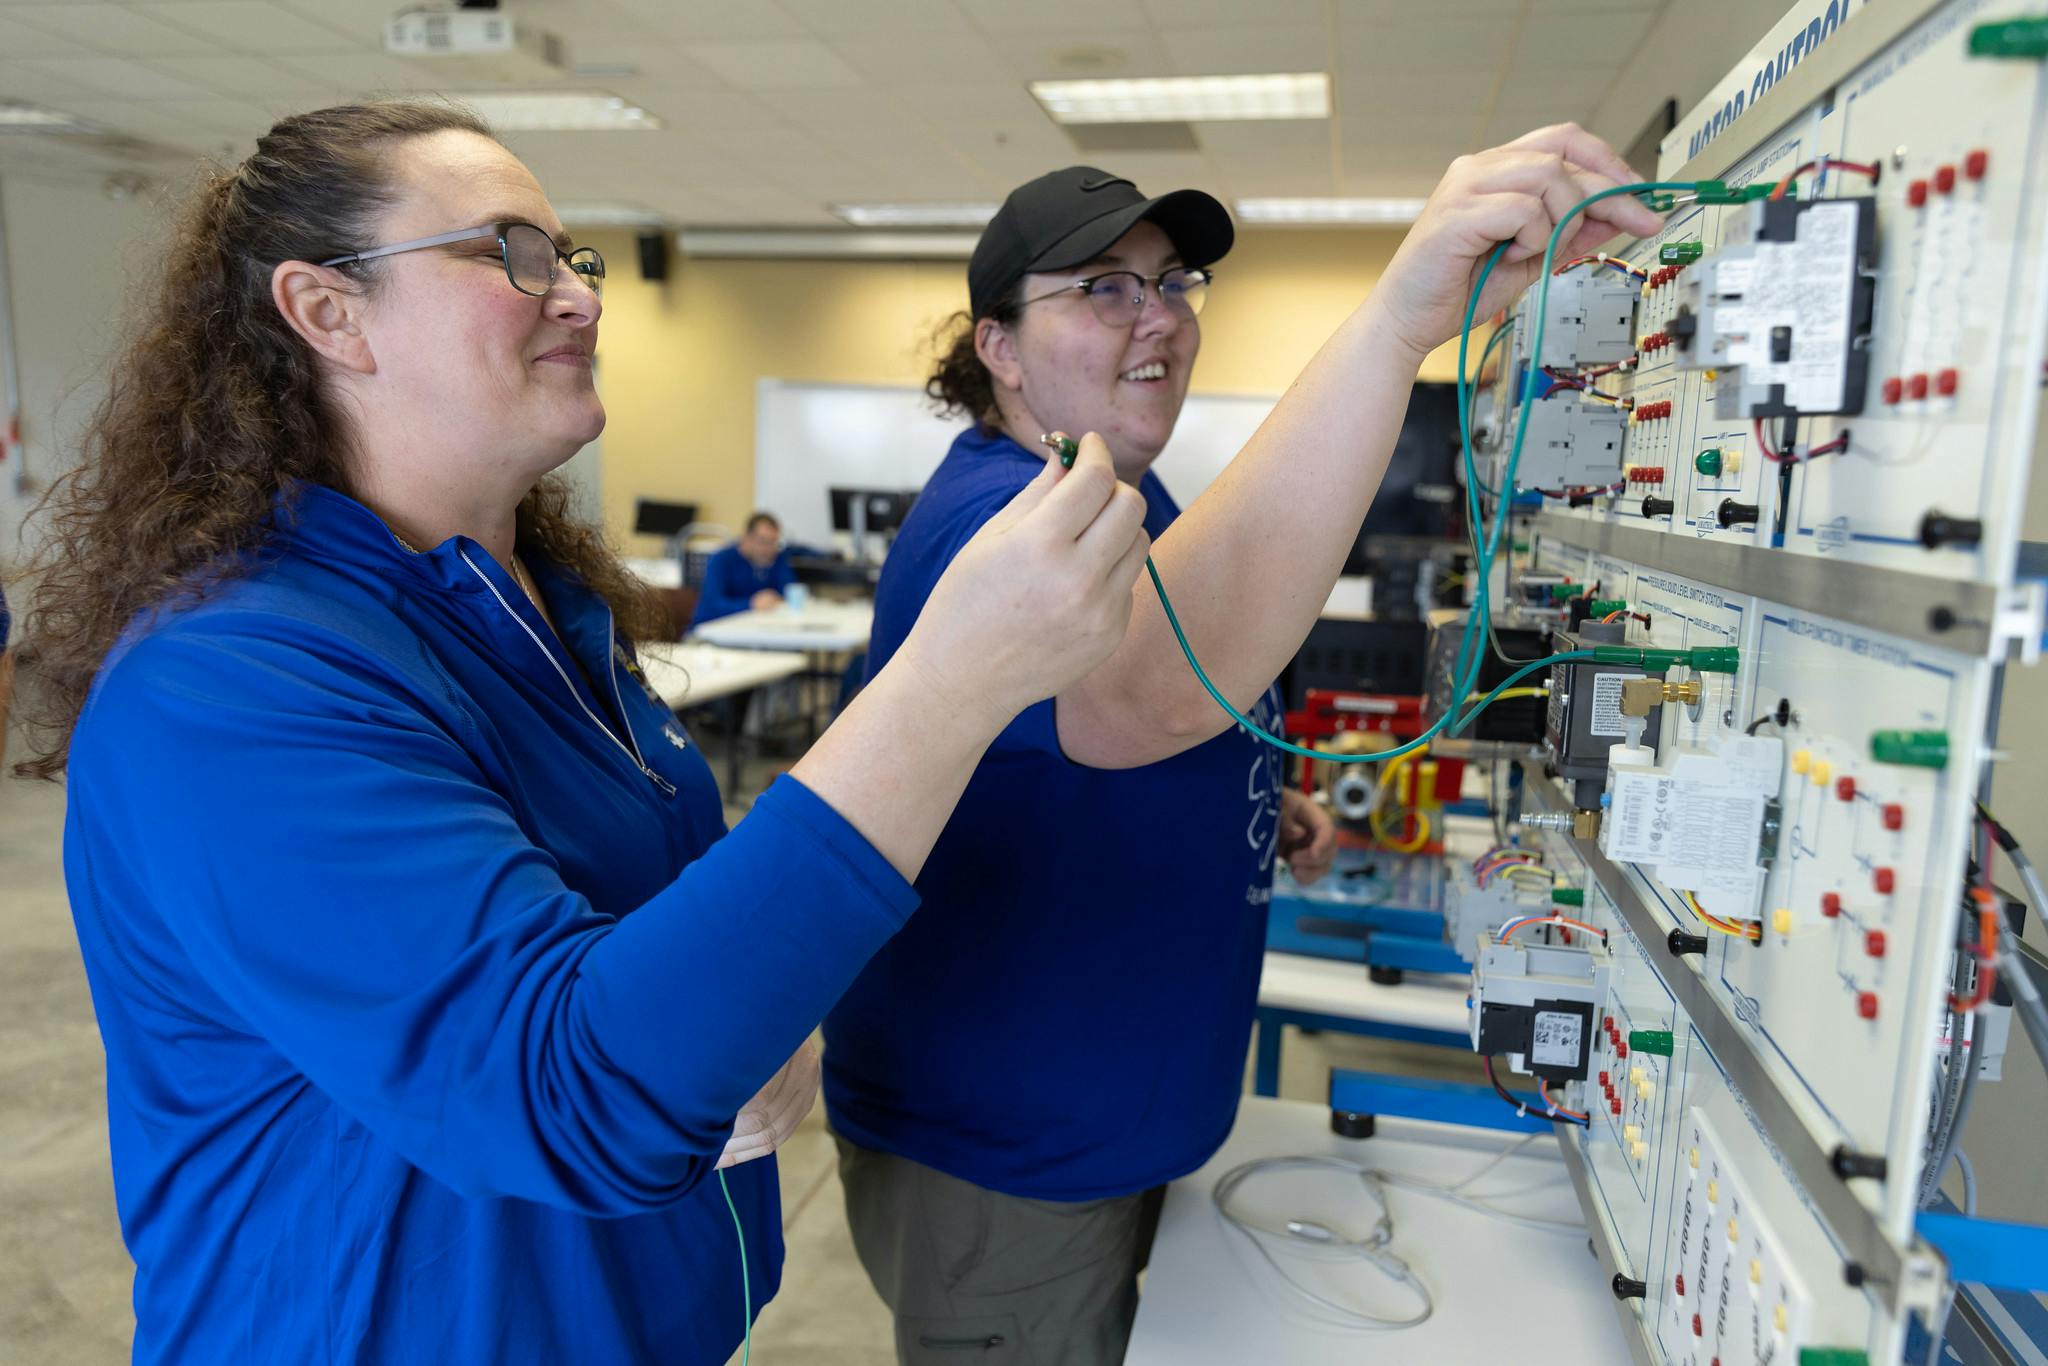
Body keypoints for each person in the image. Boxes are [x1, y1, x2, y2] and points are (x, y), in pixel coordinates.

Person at [10, 102, 1151, 1366]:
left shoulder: (543, 617)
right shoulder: (225, 687)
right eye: (510, 251)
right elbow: (569, 1087)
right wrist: (947, 685)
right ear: (327, 311)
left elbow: (657, 956)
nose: (580, 297)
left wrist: (750, 1024)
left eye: (570, 257)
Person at [823, 137, 1662, 1363]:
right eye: (1102, 288)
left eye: (1171, 282)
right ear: (997, 346)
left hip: (1112, 1116)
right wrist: (1393, 329)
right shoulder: (994, 520)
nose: (1156, 315)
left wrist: (1251, 796)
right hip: (1006, 1154)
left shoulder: (1120, 494)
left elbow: (1148, 715)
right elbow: (1149, 687)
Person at [690, 510, 796, 626]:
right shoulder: (721, 559)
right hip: (709, 630)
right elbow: (712, 605)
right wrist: (750, 604)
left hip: (748, 627)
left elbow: (789, 592)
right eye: (763, 541)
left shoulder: (776, 558)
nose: (768, 549)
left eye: (773, 542)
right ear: (746, 538)